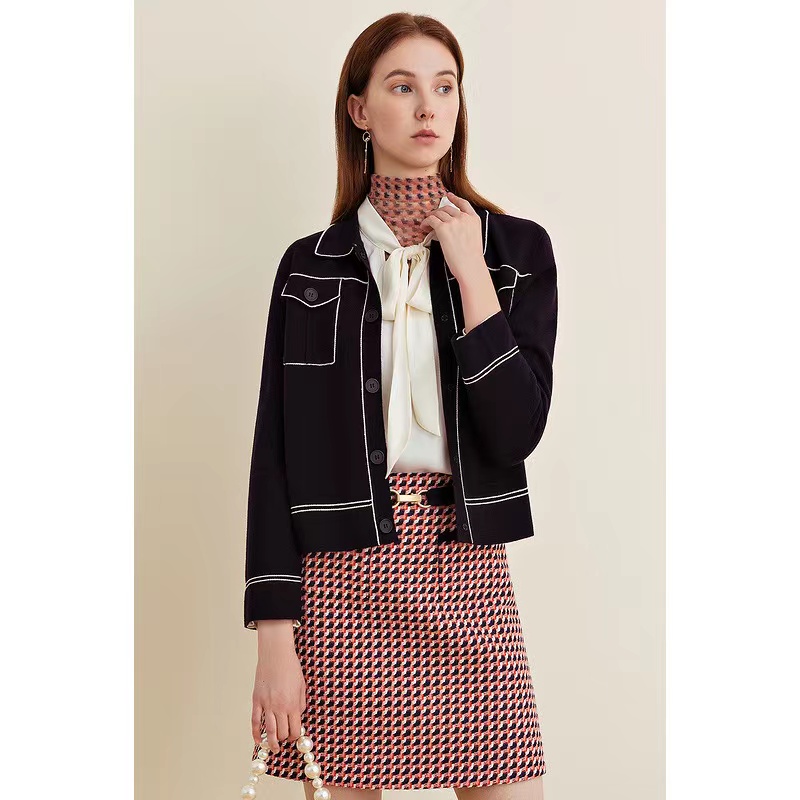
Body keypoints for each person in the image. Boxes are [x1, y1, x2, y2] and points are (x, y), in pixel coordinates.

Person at [243, 12, 558, 800]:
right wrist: (275, 639)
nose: (427, 107)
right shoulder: (309, 269)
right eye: (402, 86)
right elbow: (274, 459)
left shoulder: (517, 251)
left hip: (465, 562)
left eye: (444, 88)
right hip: (339, 577)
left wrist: (470, 271)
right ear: (359, 110)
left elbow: (516, 430)